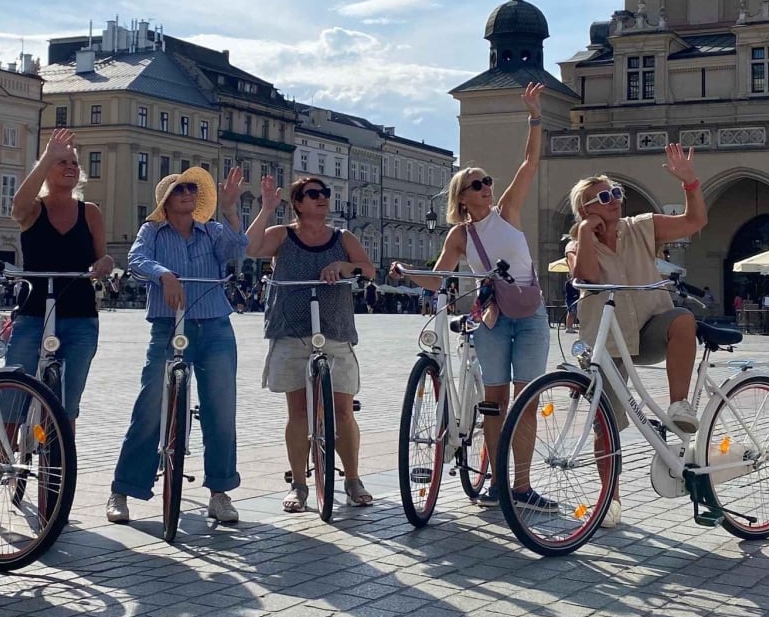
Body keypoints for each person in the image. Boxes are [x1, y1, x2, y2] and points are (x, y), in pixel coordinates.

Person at [395, 83, 551, 513]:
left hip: (531, 313)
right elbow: (440, 278)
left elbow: (530, 162)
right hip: (493, 319)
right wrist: (409, 274)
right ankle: (500, 483)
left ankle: (522, 485)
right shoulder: (460, 235)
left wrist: (534, 117)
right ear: (461, 197)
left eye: (487, 182)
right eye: (478, 183)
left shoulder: (508, 211)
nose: (487, 187)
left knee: (527, 399)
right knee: (495, 403)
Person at [567, 143, 706, 528]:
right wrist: (583, 233)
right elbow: (590, 278)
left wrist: (690, 183)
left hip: (649, 327)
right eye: (604, 197)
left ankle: (679, 405)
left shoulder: (642, 226)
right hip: (607, 342)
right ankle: (609, 499)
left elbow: (694, 222)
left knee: (682, 320)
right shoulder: (577, 245)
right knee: (605, 426)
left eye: (617, 194)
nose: (615, 201)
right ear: (586, 209)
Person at [109, 165, 248, 525]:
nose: (188, 193)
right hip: (168, 326)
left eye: (192, 188)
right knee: (150, 405)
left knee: (221, 410)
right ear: (166, 200)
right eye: (180, 189)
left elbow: (238, 250)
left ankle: (220, 493)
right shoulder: (152, 230)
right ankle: (123, 489)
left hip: (215, 324)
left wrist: (231, 209)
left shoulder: (212, 230)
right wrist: (164, 274)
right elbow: (136, 260)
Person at [248, 174, 377, 512]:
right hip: (291, 329)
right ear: (298, 203)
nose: (322, 198)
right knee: (299, 411)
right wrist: (266, 209)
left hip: (334, 329)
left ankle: (352, 478)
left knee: (343, 411)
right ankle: (300, 485)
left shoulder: (342, 237)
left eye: (325, 193)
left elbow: (369, 270)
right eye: (313, 194)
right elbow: (249, 248)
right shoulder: (283, 235)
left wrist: (346, 265)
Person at [4, 127, 115, 434]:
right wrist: (46, 157)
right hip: (33, 312)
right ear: (46, 169)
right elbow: (16, 208)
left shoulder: (90, 212)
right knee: (12, 403)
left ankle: (55, 479)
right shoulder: (34, 210)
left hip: (80, 316)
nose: (69, 167)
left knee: (65, 410)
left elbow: (101, 258)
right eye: (61, 162)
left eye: (73, 163)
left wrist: (105, 263)